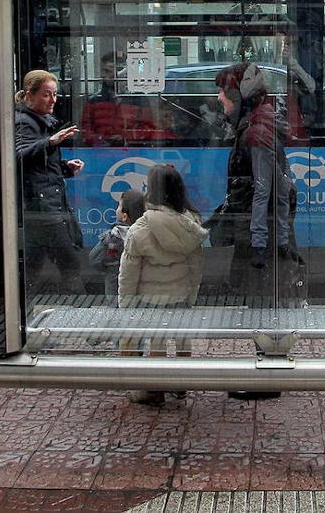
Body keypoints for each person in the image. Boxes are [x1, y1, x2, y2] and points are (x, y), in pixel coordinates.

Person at [214, 62, 302, 401]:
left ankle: (267, 375)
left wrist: (262, 243)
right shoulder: (259, 122)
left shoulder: (256, 131)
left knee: (265, 298)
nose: (220, 97)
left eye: (225, 91)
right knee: (265, 299)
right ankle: (267, 369)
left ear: (240, 95)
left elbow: (267, 190)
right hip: (261, 228)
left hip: (260, 231)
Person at [117, 164, 208, 406]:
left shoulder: (140, 229)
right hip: (179, 295)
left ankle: (155, 387)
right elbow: (195, 267)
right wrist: (191, 294)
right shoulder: (191, 224)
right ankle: (181, 383)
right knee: (180, 338)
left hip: (149, 299)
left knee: (156, 340)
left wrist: (125, 302)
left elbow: (129, 273)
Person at [15, 69, 85, 304]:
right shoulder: (24, 122)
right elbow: (19, 156)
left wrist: (65, 168)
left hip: (45, 202)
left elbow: (41, 166)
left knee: (34, 266)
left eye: (55, 95)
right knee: (70, 263)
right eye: (46, 94)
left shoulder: (40, 121)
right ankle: (87, 329)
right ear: (28, 95)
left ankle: (24, 310)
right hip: (43, 207)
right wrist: (51, 142)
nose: (53, 100)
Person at [89, 189, 146, 307]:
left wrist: (109, 268)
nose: (116, 209)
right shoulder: (146, 234)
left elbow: (94, 259)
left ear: (124, 216)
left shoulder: (113, 237)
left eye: (118, 206)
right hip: (143, 290)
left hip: (115, 288)